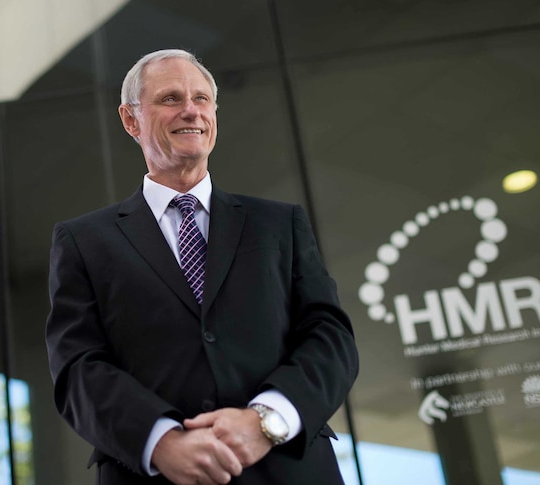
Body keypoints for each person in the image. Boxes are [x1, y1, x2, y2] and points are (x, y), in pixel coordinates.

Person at [46, 49, 358, 485]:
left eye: (202, 98)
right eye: (170, 99)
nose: (190, 110)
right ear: (131, 120)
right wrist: (162, 442)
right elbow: (78, 367)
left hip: (289, 471)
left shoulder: (279, 224)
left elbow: (331, 338)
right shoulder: (83, 241)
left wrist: (267, 421)